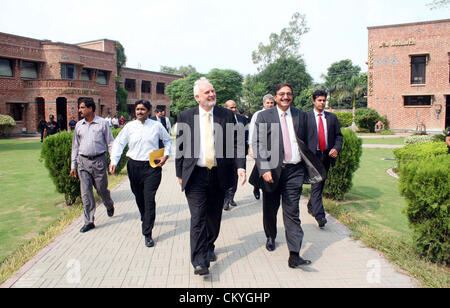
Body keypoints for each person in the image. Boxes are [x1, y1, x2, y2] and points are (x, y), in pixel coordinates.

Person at [176, 77, 246, 276]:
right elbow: (180, 147)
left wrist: (240, 167)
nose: (212, 94)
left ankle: (209, 245)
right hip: (195, 175)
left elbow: (237, 143)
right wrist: (179, 173)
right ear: (197, 97)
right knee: (197, 217)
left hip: (219, 174)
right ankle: (199, 261)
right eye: (207, 92)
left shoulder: (225, 115)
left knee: (214, 216)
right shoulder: (186, 116)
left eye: (213, 91)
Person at [252, 83, 325, 269]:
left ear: (292, 96)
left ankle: (294, 253)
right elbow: (258, 143)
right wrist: (264, 168)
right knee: (270, 208)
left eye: (289, 94)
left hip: (295, 171)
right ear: (275, 97)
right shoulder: (264, 116)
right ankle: (270, 236)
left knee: (292, 211)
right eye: (281, 94)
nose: (285, 97)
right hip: (272, 171)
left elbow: (310, 141)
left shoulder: (302, 115)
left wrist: (310, 165)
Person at [110, 100, 172, 248]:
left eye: (143, 109)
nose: (139, 112)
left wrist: (166, 155)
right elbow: (119, 143)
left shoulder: (157, 126)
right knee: (139, 196)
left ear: (149, 111)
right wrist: (114, 161)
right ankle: (145, 217)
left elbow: (168, 141)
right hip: (134, 166)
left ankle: (147, 232)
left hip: (152, 166)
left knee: (149, 198)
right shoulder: (129, 127)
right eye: (137, 109)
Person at [70, 98, 115, 233]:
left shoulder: (102, 123)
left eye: (82, 107)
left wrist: (113, 161)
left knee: (102, 189)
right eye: (80, 107)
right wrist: (73, 165)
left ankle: (109, 204)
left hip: (99, 161)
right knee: (86, 193)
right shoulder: (79, 125)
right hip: (83, 162)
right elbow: (75, 146)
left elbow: (110, 143)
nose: (80, 110)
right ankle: (89, 221)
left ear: (90, 108)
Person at [306, 90, 343, 228]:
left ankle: (311, 205)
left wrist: (336, 148)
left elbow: (339, 136)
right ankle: (320, 215)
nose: (322, 103)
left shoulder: (332, 118)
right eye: (319, 100)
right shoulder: (306, 117)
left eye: (323, 100)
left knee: (320, 184)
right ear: (313, 101)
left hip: (326, 156)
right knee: (317, 184)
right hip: (312, 156)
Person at [223, 100, 249, 211]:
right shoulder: (220, 119)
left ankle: (231, 197)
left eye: (235, 107)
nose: (233, 109)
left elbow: (247, 135)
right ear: (225, 108)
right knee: (226, 176)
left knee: (235, 176)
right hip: (224, 153)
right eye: (230, 108)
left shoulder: (243, 119)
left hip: (239, 152)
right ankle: (225, 199)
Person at [248, 94, 275, 200]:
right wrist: (251, 147)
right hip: (260, 145)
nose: (269, 105)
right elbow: (252, 131)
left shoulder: (276, 113)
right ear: (263, 103)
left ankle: (268, 187)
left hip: (273, 146)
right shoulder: (258, 114)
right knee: (260, 166)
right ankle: (256, 186)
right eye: (267, 103)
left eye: (271, 103)